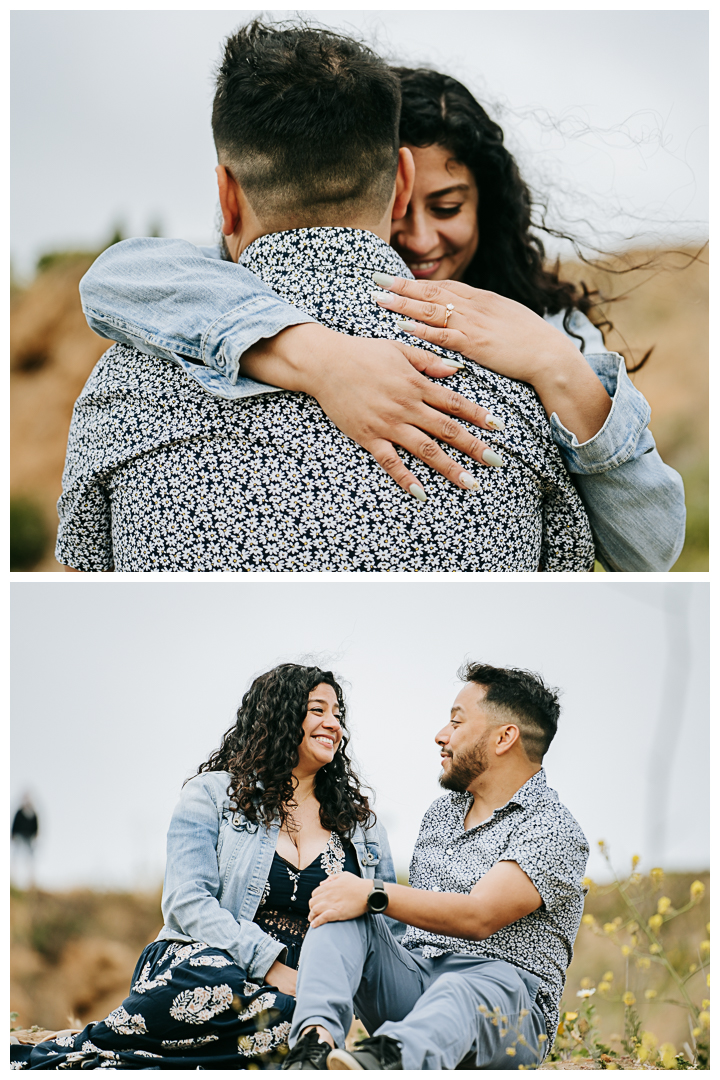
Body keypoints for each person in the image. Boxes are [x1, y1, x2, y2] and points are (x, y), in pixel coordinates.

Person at [77, 62, 686, 572]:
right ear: (384, 187)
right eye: (405, 211)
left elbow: (651, 551)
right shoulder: (231, 289)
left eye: (447, 207)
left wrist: (561, 368)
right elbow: (115, 280)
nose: (419, 240)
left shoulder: (551, 331)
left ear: (487, 204)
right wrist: (318, 356)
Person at [10, 663, 395, 1070]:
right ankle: (90, 1044)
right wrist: (268, 964)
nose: (333, 723)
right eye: (318, 710)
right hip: (207, 964)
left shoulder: (362, 828)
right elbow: (187, 901)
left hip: (307, 992)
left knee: (300, 1020)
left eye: (338, 714)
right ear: (280, 714)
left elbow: (389, 932)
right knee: (211, 980)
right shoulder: (211, 796)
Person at [279, 663, 588, 1071]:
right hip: (419, 985)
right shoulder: (441, 815)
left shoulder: (552, 826)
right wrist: (357, 899)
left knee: (461, 984)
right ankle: (310, 1050)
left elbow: (481, 916)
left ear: (504, 737)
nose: (441, 735)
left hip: (510, 1011)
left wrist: (373, 893)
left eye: (457, 722)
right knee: (344, 909)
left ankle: (384, 1063)